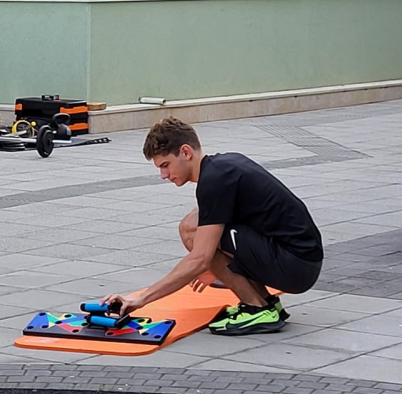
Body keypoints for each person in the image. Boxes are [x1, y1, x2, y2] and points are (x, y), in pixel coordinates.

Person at [100, 118, 324, 336]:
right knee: (190, 226)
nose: (163, 175)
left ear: (186, 152)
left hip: (296, 266)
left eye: (166, 165)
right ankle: (266, 303)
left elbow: (200, 258)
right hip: (298, 259)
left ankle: (258, 308)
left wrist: (141, 299)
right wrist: (218, 268)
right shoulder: (222, 167)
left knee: (195, 234)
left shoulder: (215, 180)